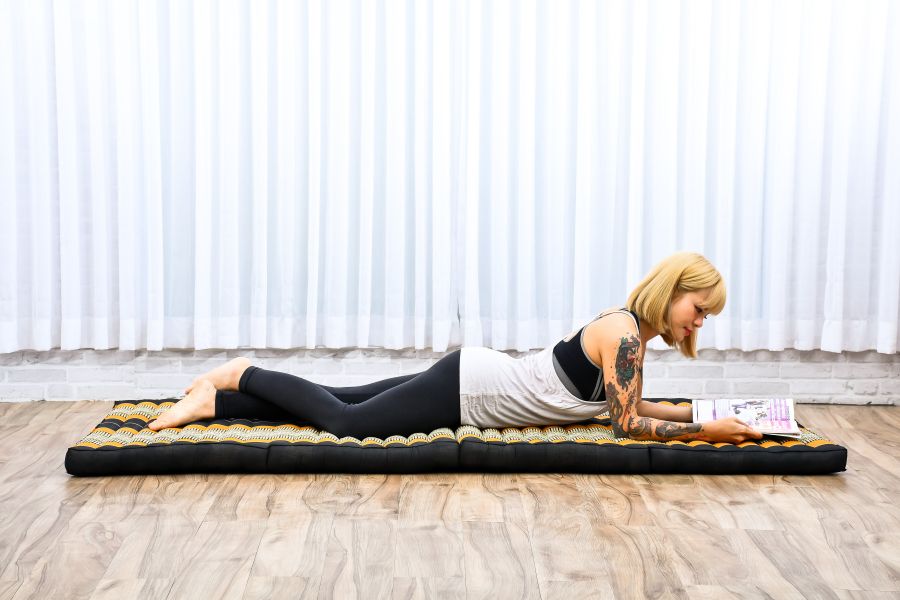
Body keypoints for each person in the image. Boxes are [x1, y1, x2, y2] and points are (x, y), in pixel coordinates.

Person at [148, 251, 763, 444]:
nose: (699, 324)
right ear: (672, 291)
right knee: (347, 424)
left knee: (341, 398)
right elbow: (626, 425)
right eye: (699, 309)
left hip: (473, 378)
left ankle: (214, 405)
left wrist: (700, 412)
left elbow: (624, 409)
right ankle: (243, 372)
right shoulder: (625, 336)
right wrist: (704, 434)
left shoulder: (631, 335)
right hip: (471, 390)